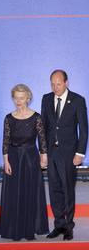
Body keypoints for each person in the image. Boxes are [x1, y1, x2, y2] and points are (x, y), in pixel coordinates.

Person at [41, 69, 88, 241]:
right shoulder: (46, 99)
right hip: (51, 153)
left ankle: (69, 227)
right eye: (52, 84)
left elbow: (83, 130)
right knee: (54, 190)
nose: (55, 87)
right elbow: (43, 128)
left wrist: (80, 153)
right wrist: (43, 152)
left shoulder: (77, 100)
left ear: (66, 83)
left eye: (58, 84)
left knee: (68, 189)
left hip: (69, 154)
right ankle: (59, 225)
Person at [0, 84, 49, 241]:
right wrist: (6, 161)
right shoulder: (9, 118)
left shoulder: (36, 117)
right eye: (16, 98)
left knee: (30, 192)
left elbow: (42, 140)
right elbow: (5, 142)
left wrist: (44, 157)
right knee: (14, 194)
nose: (18, 101)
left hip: (30, 158)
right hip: (13, 158)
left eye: (22, 98)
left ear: (28, 98)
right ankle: (15, 229)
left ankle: (29, 229)